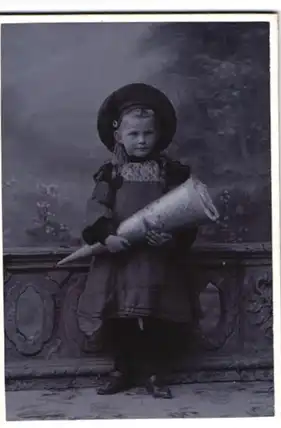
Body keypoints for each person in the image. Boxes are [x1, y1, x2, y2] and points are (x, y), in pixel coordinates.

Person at [78, 83, 198, 399]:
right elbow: (97, 208)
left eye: (148, 134)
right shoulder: (111, 173)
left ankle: (155, 374)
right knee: (120, 316)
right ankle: (122, 371)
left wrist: (171, 237)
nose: (141, 140)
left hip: (156, 258)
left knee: (155, 316)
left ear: (158, 134)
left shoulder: (170, 172)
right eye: (134, 135)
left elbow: (185, 212)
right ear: (118, 136)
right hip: (120, 257)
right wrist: (107, 236)